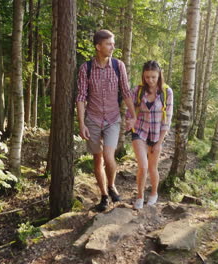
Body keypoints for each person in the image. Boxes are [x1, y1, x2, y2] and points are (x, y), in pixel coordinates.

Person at [76, 29, 137, 212]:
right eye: (109, 44)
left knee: (109, 157)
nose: (113, 47)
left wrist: (133, 116)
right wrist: (82, 124)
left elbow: (126, 92)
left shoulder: (119, 66)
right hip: (93, 120)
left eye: (113, 43)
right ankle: (103, 195)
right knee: (97, 161)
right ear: (98, 46)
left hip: (112, 119)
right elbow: (80, 97)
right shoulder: (85, 68)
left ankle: (111, 185)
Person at [129, 60, 173, 209]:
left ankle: (154, 193)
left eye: (153, 77)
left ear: (159, 75)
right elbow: (130, 109)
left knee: (153, 167)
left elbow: (167, 119)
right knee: (143, 165)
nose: (150, 80)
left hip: (156, 134)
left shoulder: (167, 92)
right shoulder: (138, 90)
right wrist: (130, 120)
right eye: (147, 77)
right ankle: (140, 196)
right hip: (139, 131)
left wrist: (160, 142)